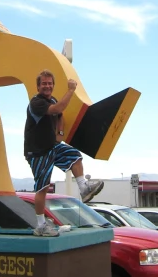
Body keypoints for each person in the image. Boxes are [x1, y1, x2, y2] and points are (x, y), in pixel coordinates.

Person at [24, 69, 104, 236]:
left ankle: (84, 188)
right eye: (44, 84)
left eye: (49, 83)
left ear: (53, 85)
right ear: (38, 86)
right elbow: (57, 109)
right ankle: (40, 226)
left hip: (51, 146)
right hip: (37, 152)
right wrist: (71, 90)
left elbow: (60, 115)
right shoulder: (36, 102)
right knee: (43, 188)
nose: (47, 86)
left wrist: (59, 134)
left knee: (75, 156)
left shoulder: (51, 99)